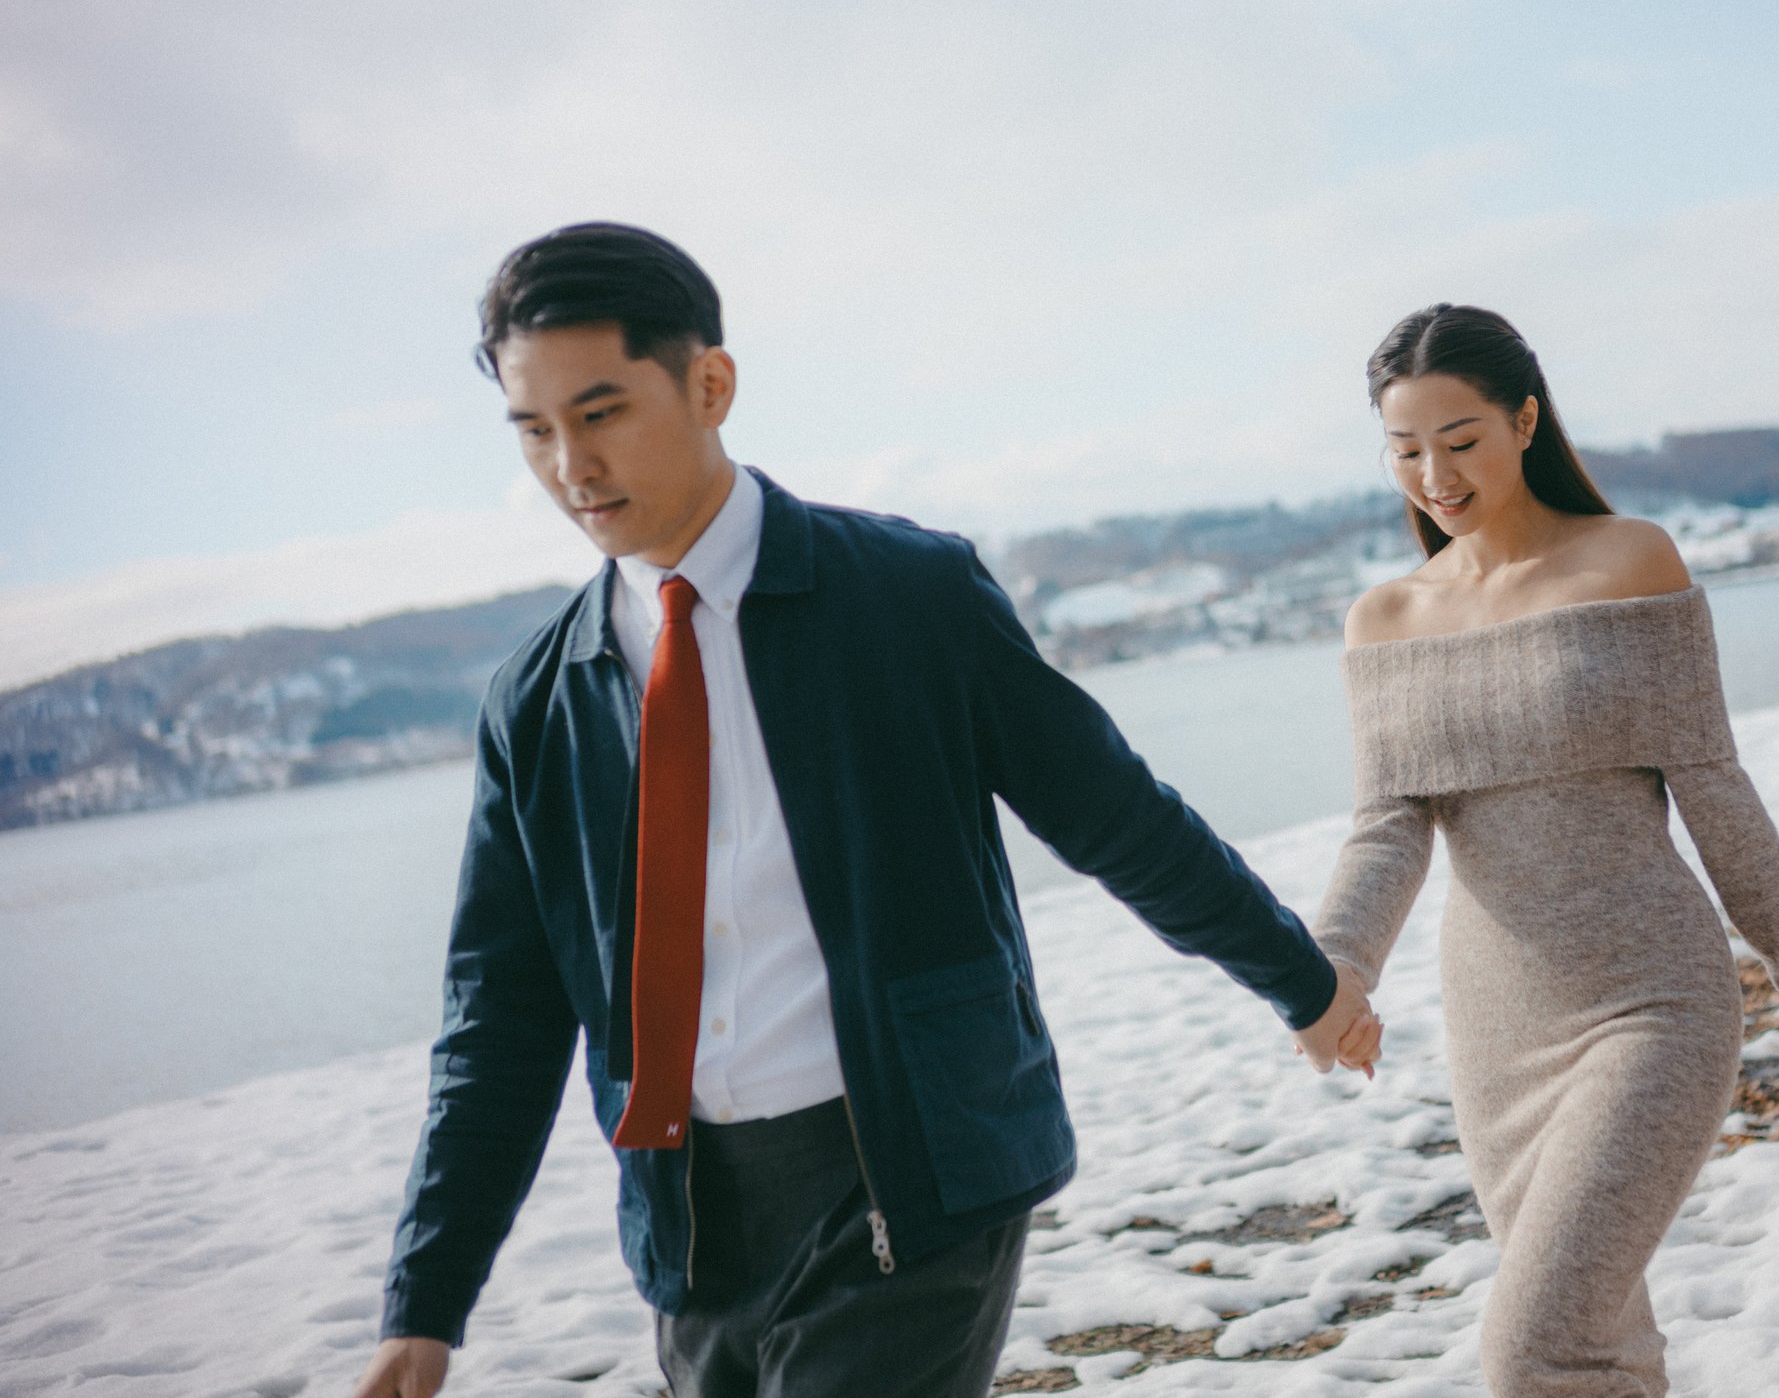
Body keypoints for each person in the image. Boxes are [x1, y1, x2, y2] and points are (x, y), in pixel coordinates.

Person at [349, 222, 1376, 1398]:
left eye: (601, 412)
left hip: (910, 1172)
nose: (571, 465)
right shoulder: (536, 702)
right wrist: (423, 1303)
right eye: (534, 430)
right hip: (692, 1225)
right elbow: (501, 1015)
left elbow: (1110, 811)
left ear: (710, 383)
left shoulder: (907, 594)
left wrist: (1300, 979)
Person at [1309, 304, 1779, 1398]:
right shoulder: (1383, 619)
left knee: (1532, 1350)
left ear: (1525, 420)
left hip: (1650, 1000)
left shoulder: (1628, 562)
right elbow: (1386, 827)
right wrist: (1334, 968)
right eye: (1405, 448)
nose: (1434, 472)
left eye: (1460, 438)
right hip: (1495, 1027)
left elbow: (1716, 791)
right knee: (1602, 1343)